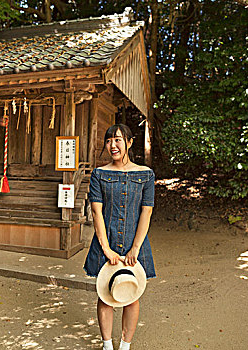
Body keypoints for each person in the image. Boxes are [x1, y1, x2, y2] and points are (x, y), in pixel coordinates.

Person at [84, 124, 156, 350]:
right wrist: (106, 249)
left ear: (130, 142)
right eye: (108, 141)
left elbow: (147, 210)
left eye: (117, 140)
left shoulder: (146, 174)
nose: (112, 145)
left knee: (132, 294)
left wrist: (135, 248)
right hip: (107, 241)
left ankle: (125, 346)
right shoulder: (99, 174)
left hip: (136, 243)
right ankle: (107, 345)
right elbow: (96, 211)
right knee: (106, 294)